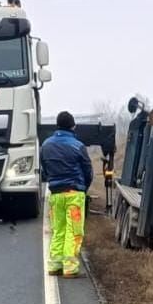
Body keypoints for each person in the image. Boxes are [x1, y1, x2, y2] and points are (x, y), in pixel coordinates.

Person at [40, 111, 93, 278]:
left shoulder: (46, 145)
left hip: (55, 195)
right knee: (74, 231)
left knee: (58, 230)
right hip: (74, 193)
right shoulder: (78, 146)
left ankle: (54, 265)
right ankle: (70, 268)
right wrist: (83, 188)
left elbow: (44, 170)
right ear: (73, 126)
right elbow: (88, 171)